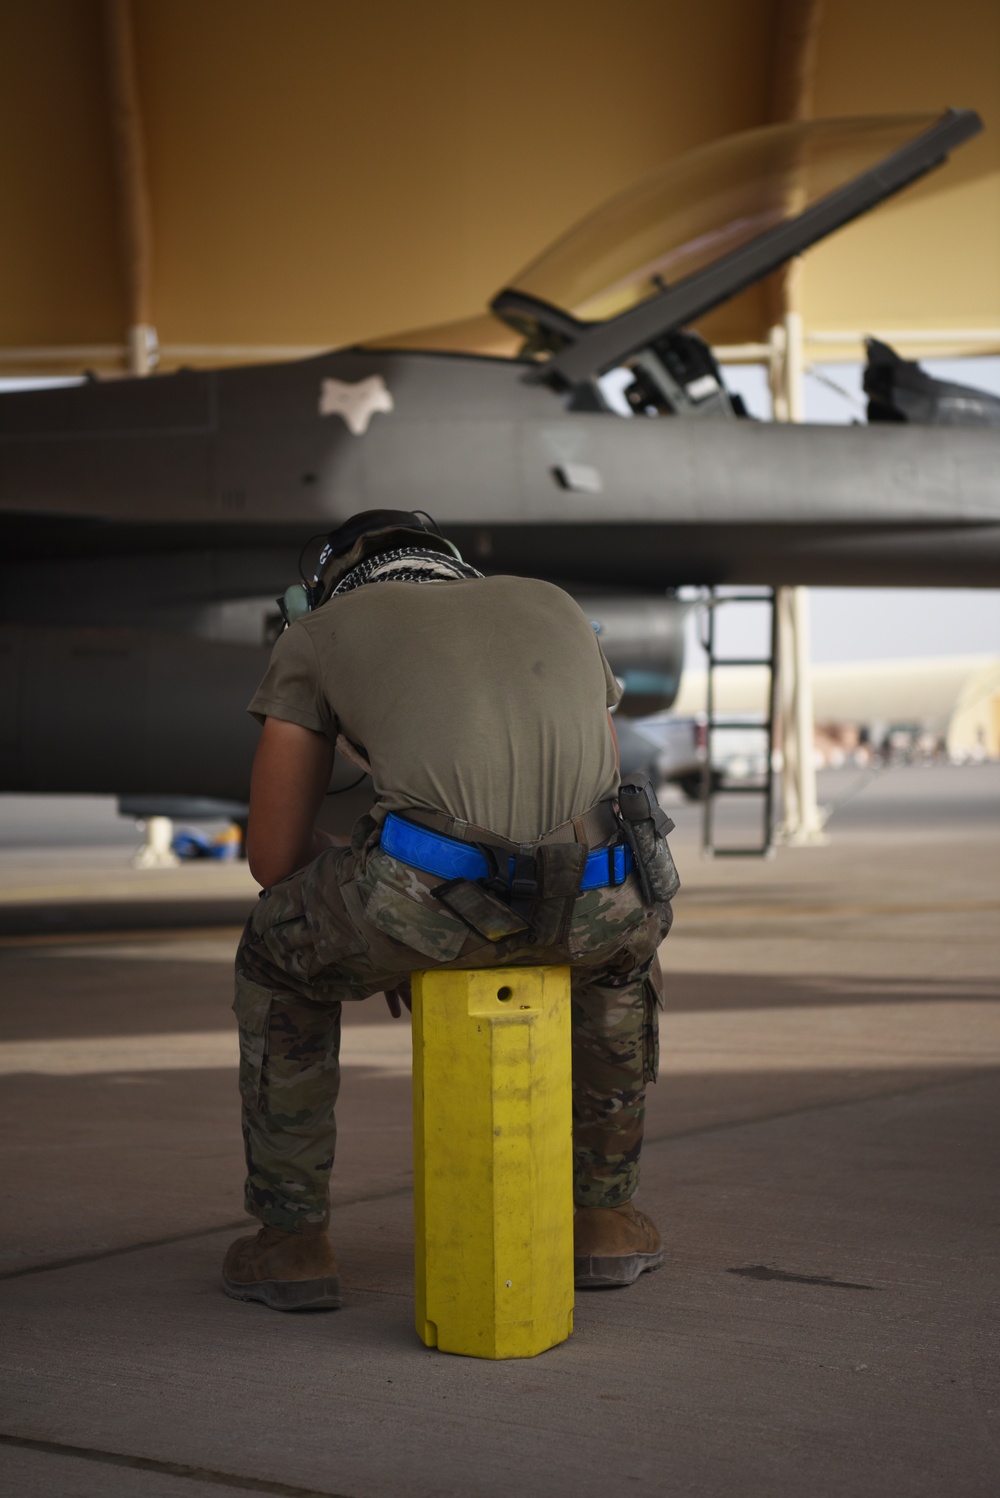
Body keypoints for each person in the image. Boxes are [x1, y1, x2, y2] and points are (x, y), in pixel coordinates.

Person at [223, 510, 677, 1311]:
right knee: (622, 961)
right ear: (450, 566)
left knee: (273, 955)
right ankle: (604, 1219)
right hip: (594, 899)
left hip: (425, 904)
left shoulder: (319, 632)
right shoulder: (556, 604)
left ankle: (290, 1241)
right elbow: (594, 791)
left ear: (329, 584)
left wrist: (393, 918)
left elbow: (271, 858)